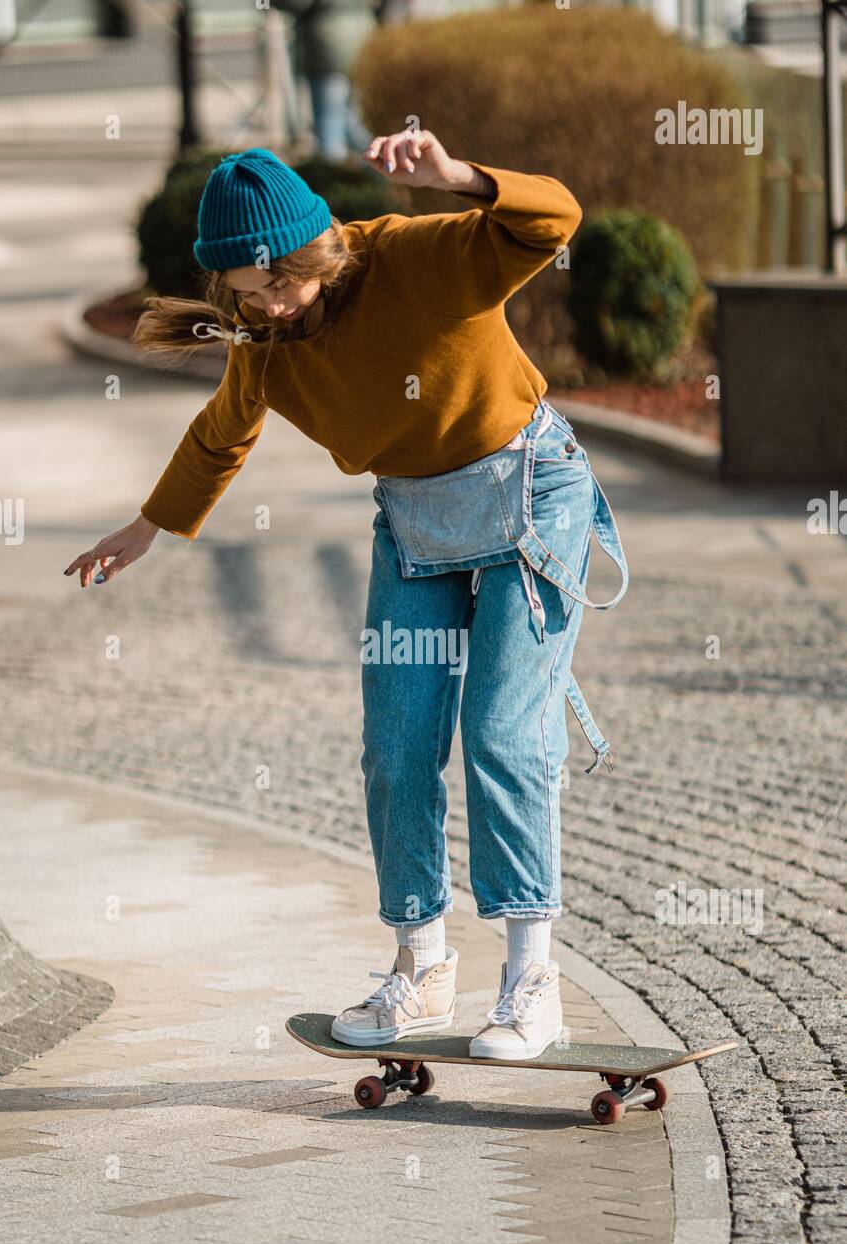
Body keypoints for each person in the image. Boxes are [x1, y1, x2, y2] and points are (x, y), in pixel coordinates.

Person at [65, 132, 628, 1061]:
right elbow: (223, 432)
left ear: (316, 247)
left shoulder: (411, 257)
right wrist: (147, 526)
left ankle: (532, 979)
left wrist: (457, 180)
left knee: (498, 731)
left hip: (531, 496)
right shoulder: (265, 337)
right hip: (414, 525)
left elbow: (553, 218)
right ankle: (421, 965)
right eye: (249, 294)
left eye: (281, 283)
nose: (271, 306)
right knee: (396, 747)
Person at [272, 0, 376, 162]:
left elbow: (297, 4)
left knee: (329, 128)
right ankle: (378, 171)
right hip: (362, 41)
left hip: (329, 49)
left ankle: (332, 178)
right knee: (352, 121)